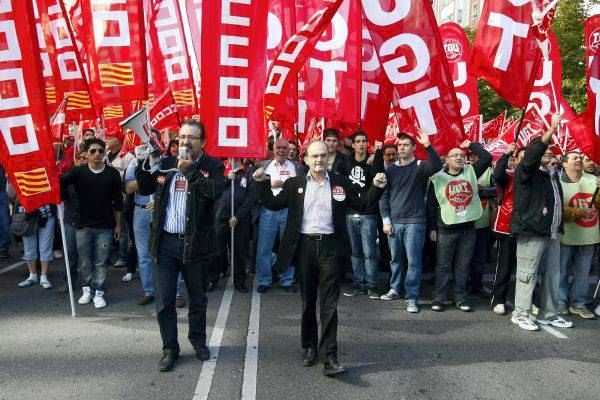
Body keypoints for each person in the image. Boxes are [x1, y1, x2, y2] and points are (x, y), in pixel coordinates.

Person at [253, 141, 387, 377]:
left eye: (323, 156)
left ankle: (330, 356)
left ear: (329, 158)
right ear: (305, 160)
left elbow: (363, 203)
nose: (319, 160)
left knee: (329, 304)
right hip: (304, 246)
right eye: (314, 156)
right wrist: (262, 183)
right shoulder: (294, 184)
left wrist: (377, 187)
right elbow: (272, 204)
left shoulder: (340, 183)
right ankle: (309, 347)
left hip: (330, 248)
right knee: (308, 303)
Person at [135, 120, 224, 372]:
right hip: (164, 244)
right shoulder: (165, 164)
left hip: (195, 244)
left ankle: (197, 341)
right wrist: (142, 162)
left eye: (192, 137)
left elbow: (215, 191)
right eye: (182, 137)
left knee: (197, 299)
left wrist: (189, 171)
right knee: (164, 301)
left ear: (203, 142)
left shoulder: (212, 166)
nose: (185, 142)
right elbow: (145, 186)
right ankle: (169, 348)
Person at [510, 113, 573, 331]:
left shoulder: (553, 175)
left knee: (552, 276)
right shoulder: (526, 172)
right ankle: (521, 313)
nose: (550, 156)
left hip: (552, 232)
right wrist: (551, 129)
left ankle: (549, 313)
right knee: (527, 275)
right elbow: (532, 154)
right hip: (531, 231)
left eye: (552, 154)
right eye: (545, 153)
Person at [378, 129, 443, 312]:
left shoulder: (421, 166)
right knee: (395, 260)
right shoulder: (390, 169)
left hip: (416, 222)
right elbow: (384, 196)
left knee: (414, 262)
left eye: (406, 145)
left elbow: (437, 166)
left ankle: (412, 297)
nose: (402, 148)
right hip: (394, 222)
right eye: (400, 145)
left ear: (414, 147)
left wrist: (428, 145)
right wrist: (386, 220)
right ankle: (395, 288)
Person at [427, 140, 492, 312]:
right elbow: (432, 205)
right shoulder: (438, 177)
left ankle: (460, 298)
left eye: (461, 155)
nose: (459, 157)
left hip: (467, 230)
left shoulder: (471, 172)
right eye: (454, 155)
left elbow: (487, 157)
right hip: (445, 229)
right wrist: (432, 228)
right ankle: (439, 298)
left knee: (463, 266)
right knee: (443, 266)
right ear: (446, 160)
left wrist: (470, 144)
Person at [60, 138, 123, 309]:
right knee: (85, 261)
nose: (97, 154)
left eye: (100, 151)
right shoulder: (77, 172)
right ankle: (87, 289)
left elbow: (118, 202)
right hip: (83, 226)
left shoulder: (113, 174)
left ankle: (99, 291)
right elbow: (60, 187)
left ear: (104, 153)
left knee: (101, 261)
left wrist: (118, 225)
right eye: (93, 151)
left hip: (105, 226)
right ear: (86, 154)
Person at [254, 138, 304, 294]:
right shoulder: (263, 165)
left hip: (289, 211)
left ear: (289, 150)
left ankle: (287, 280)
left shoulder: (297, 167)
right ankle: (264, 280)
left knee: (288, 246)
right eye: (279, 148)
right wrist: (268, 184)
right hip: (268, 211)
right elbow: (254, 186)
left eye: (285, 148)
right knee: (264, 247)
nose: (282, 150)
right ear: (273, 149)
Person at [341, 131, 384, 299]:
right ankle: (359, 284)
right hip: (350, 213)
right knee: (355, 252)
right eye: (357, 141)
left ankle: (372, 285)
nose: (361, 144)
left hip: (369, 214)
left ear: (367, 143)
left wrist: (377, 154)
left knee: (370, 252)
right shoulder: (346, 162)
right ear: (352, 144)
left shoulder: (372, 161)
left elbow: (380, 177)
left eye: (364, 141)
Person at [558, 151, 599, 319]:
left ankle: (579, 304)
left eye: (580, 158)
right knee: (562, 270)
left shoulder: (592, 180)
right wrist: (576, 211)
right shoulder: (558, 181)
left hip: (589, 235)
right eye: (575, 158)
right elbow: (556, 208)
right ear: (564, 163)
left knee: (583, 272)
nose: (579, 160)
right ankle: (560, 301)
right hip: (567, 235)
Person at [212, 159, 256, 293]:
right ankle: (213, 278)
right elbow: (213, 188)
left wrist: (238, 217)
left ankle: (240, 281)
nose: (236, 157)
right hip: (221, 216)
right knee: (217, 250)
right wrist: (225, 179)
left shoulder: (248, 171)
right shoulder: (220, 167)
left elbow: (251, 196)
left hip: (240, 220)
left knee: (239, 251)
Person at [490, 143, 521, 315]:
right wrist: (506, 153)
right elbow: (498, 174)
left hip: (530, 229)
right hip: (507, 226)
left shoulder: (538, 177)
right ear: (515, 161)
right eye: (521, 158)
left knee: (528, 269)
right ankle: (499, 299)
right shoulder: (509, 175)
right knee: (505, 266)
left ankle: (527, 301)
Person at [16, 204, 56, 289]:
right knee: (30, 248)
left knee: (45, 247)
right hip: (28, 212)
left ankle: (43, 276)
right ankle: (33, 275)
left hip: (45, 212)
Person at [0, 164, 10, 258]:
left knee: (4, 222)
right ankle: (3, 247)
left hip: (2, 191)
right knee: (4, 221)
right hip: (2, 191)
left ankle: (4, 247)